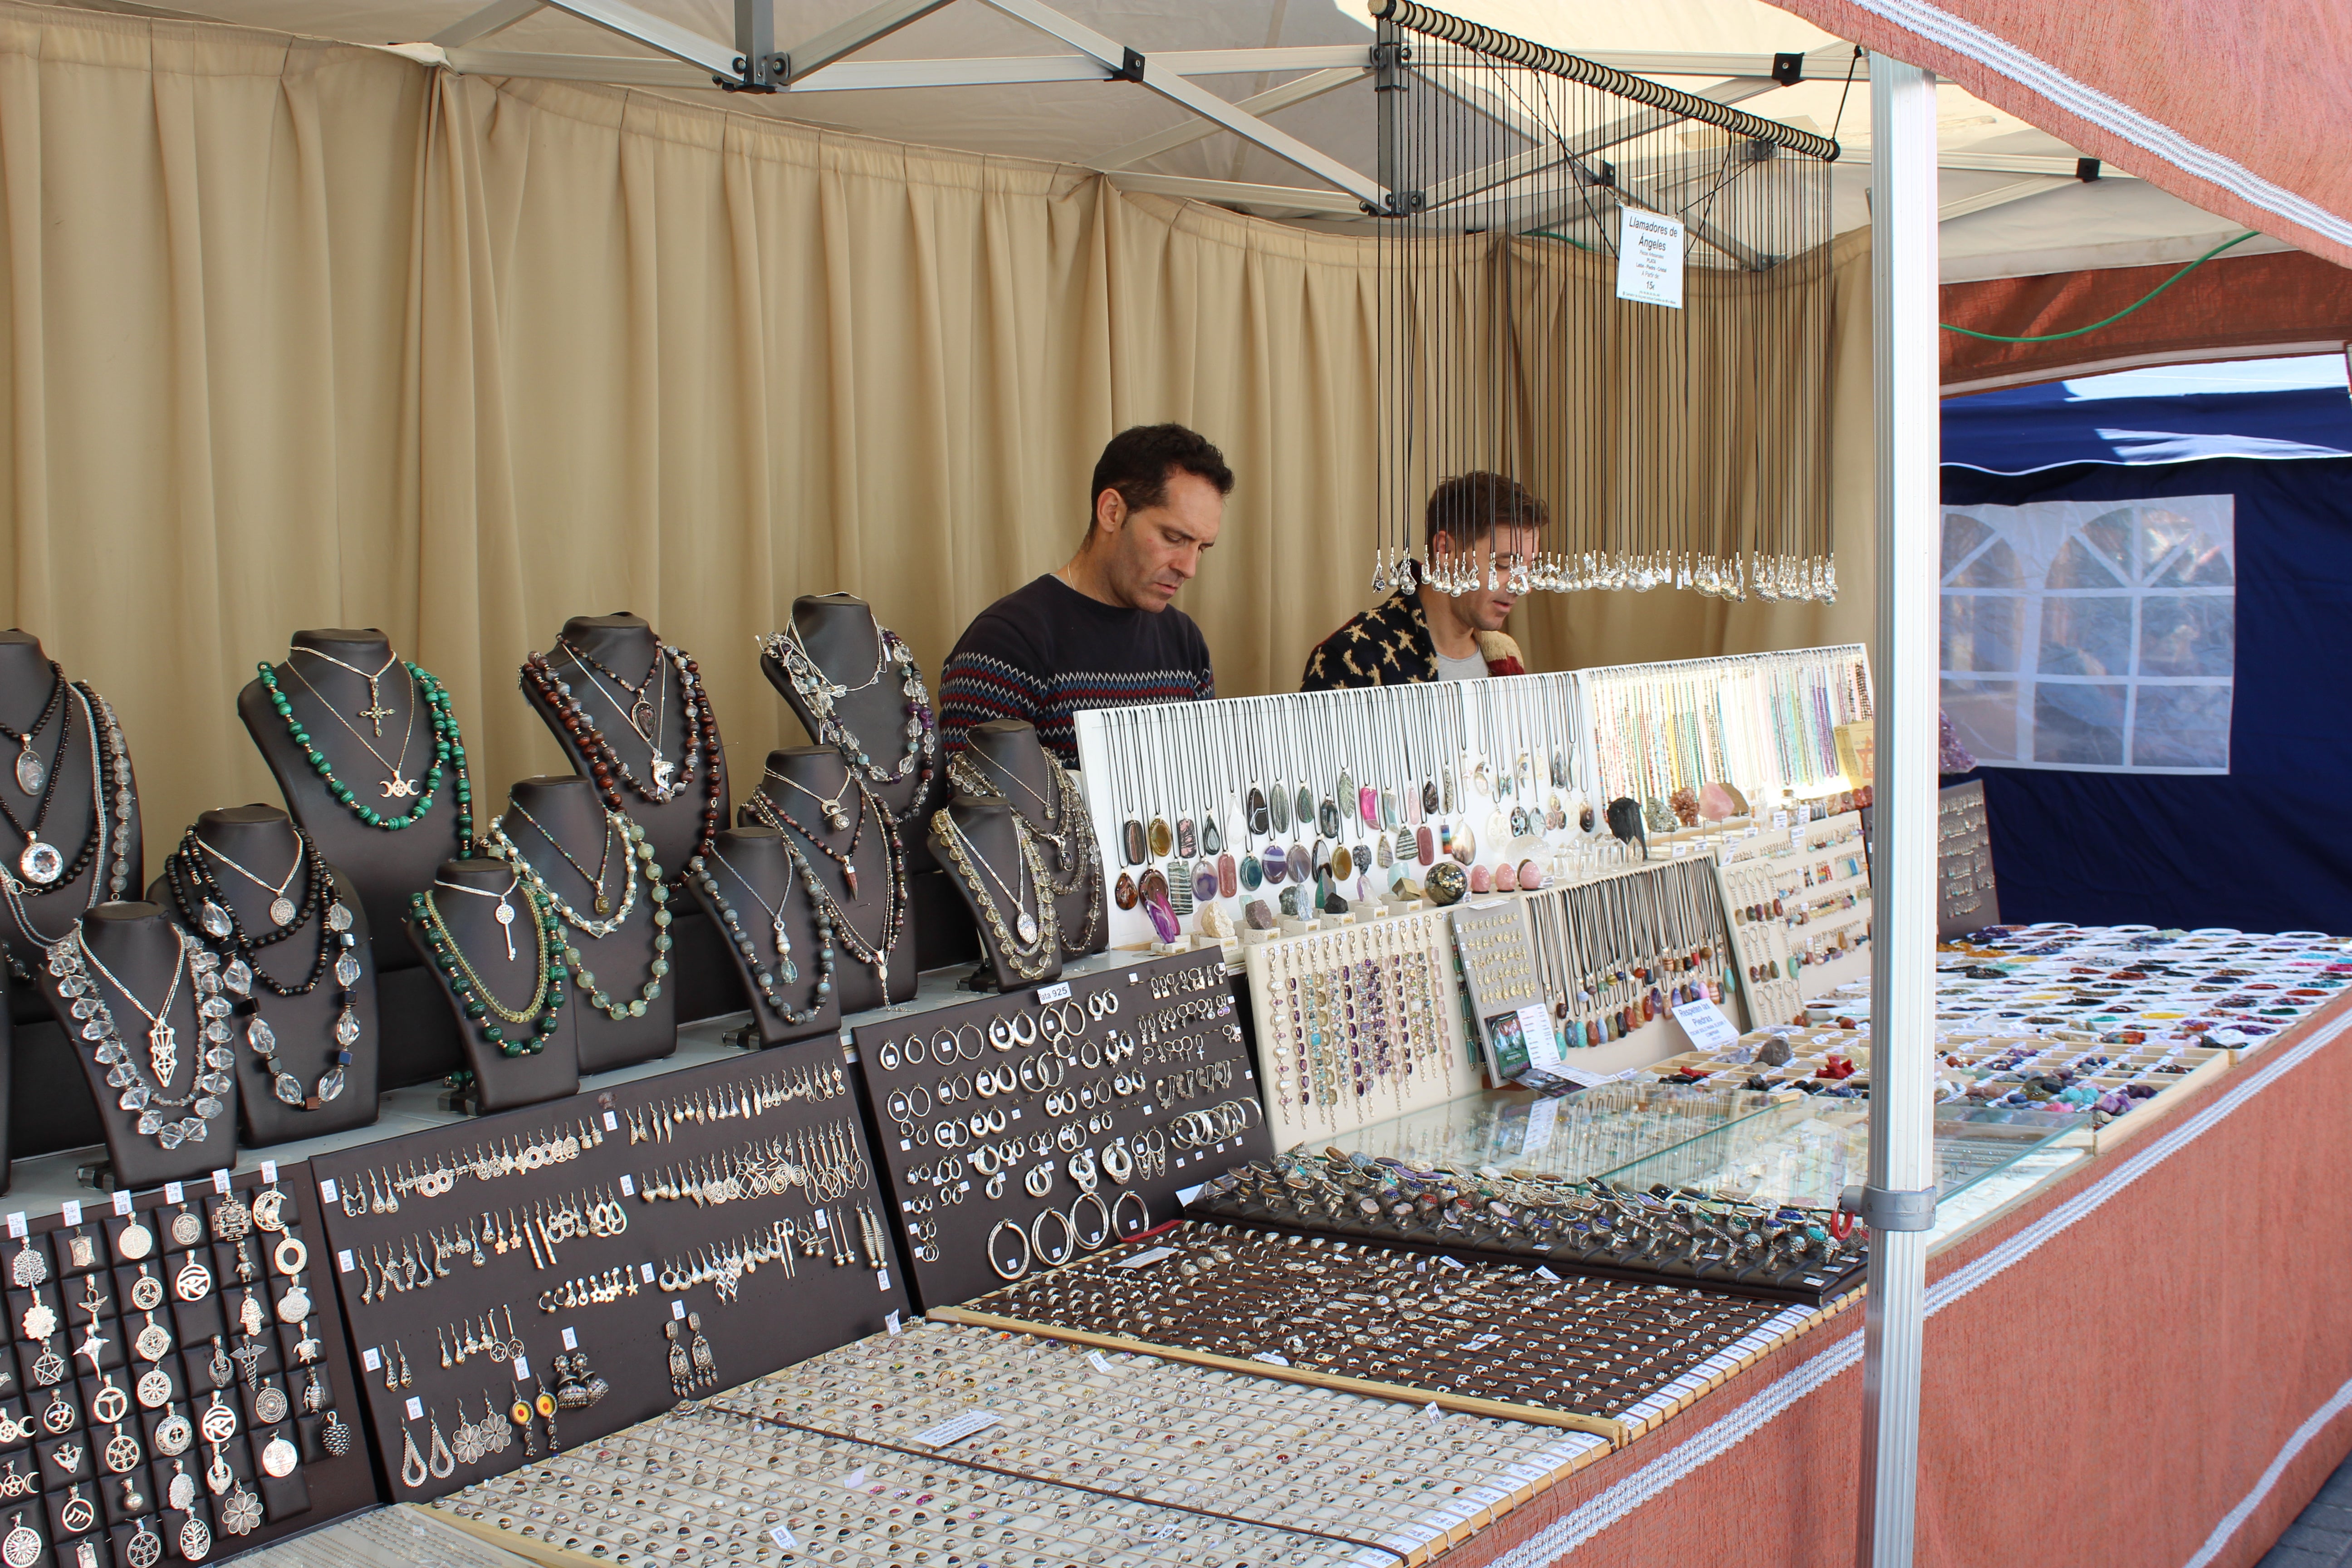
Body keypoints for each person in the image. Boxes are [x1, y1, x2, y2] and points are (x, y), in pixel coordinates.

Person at [940, 423, 1230, 766]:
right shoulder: (1006, 643)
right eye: (1173, 538)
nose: (1189, 567)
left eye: (1202, 548)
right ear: (1112, 511)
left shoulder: (1185, 643)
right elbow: (977, 807)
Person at [1300, 471, 1541, 689]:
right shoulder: (1353, 657)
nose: (1522, 586)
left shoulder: (1505, 654)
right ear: (1445, 550)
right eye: (1504, 564)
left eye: (1528, 569)